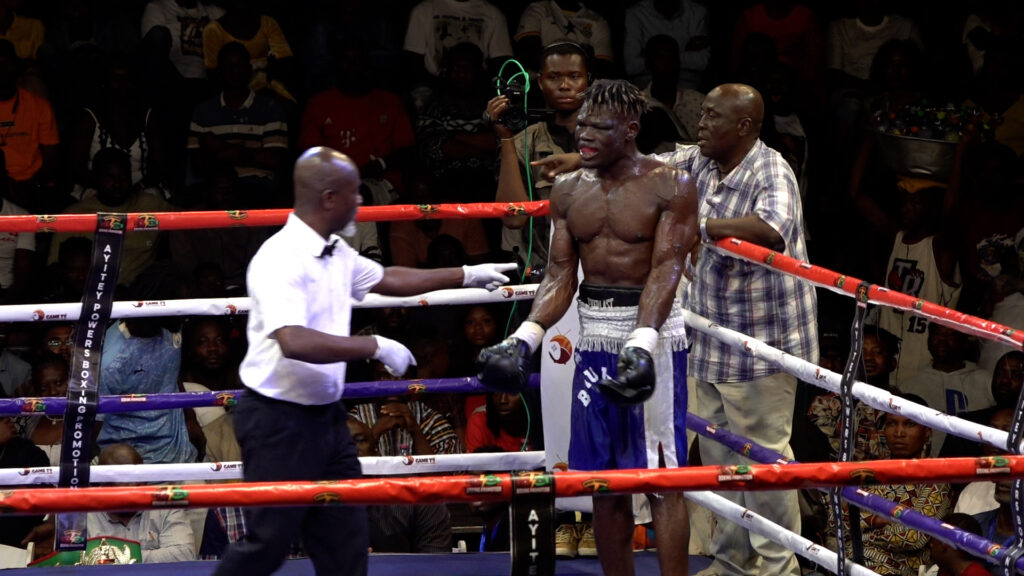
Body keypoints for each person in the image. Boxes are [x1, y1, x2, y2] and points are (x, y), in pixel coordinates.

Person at [534, 82, 815, 576]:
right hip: (708, 336)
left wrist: (701, 227)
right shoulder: (699, 161)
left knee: (763, 456)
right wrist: (581, 157)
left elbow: (772, 229)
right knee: (718, 454)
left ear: (744, 126)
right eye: (701, 114)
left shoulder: (770, 168)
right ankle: (732, 561)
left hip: (761, 341)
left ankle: (778, 567)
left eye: (712, 117)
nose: (700, 124)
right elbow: (640, 159)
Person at [211, 146, 515, 576]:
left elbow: (389, 278)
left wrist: (465, 275)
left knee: (347, 543)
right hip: (278, 421)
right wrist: (372, 346)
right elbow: (293, 340)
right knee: (268, 543)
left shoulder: (336, 250)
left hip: (327, 420)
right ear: (328, 198)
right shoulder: (278, 258)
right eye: (354, 192)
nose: (360, 201)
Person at [477, 79, 698, 576]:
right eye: (581, 127)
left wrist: (642, 342)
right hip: (593, 334)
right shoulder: (569, 190)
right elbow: (560, 274)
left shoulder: (671, 185)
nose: (584, 136)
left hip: (653, 336)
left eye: (599, 127)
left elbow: (666, 268)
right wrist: (525, 338)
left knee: (662, 479)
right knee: (603, 480)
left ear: (630, 129)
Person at [486, 40, 590, 272]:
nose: (565, 85)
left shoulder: (611, 138)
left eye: (574, 76)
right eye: (554, 77)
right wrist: (505, 138)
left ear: (588, 80)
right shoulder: (525, 141)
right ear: (541, 82)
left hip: (607, 269)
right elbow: (513, 219)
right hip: (547, 270)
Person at [346, 416, 453, 554]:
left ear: (375, 451)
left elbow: (436, 561)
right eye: (340, 443)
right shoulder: (318, 501)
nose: (351, 450)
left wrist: (381, 563)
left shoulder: (417, 495)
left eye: (359, 440)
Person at [86, 443, 197, 563]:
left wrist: (118, 558)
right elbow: (76, 561)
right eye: (125, 481)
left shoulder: (165, 505)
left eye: (139, 480)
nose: (134, 486)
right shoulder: (82, 513)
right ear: (103, 486)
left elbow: (184, 555)